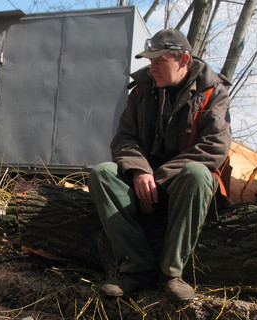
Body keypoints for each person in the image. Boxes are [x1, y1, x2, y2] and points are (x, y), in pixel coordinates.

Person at [88, 28, 231, 302]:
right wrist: (140, 170)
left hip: (183, 183)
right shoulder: (141, 90)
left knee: (198, 173)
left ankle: (171, 274)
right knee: (102, 173)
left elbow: (214, 147)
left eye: (159, 61)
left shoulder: (214, 92)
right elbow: (124, 138)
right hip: (145, 178)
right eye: (150, 61)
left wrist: (158, 178)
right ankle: (137, 268)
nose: (151, 67)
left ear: (184, 59)